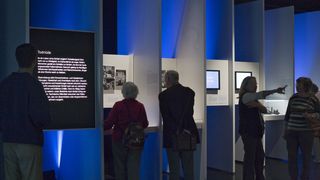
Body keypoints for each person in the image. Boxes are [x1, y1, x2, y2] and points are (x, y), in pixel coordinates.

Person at [0, 43, 51, 180]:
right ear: (35, 61)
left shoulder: (5, 83)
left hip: (8, 142)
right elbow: (41, 117)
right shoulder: (34, 85)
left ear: (17, 59)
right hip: (29, 143)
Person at [238, 76, 285, 180]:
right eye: (253, 84)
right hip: (249, 132)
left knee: (259, 157)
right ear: (246, 85)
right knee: (251, 158)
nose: (255, 86)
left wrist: (257, 105)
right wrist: (275, 90)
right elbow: (262, 94)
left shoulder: (252, 98)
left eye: (256, 84)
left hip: (255, 132)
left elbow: (263, 109)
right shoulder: (246, 97)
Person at [159, 70, 200, 180]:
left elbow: (166, 118)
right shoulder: (189, 92)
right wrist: (184, 129)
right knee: (188, 168)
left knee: (174, 170)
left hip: (173, 135)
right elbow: (189, 113)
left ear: (168, 79)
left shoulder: (163, 96)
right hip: (188, 132)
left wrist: (177, 130)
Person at [104, 82, 148, 180]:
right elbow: (145, 124)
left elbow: (109, 123)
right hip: (136, 141)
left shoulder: (118, 105)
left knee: (120, 168)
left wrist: (97, 126)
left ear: (124, 92)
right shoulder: (140, 106)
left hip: (120, 140)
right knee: (134, 168)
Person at [284, 77, 320, 180]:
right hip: (292, 131)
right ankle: (293, 177)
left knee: (306, 157)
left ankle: (305, 177)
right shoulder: (293, 98)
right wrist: (285, 130)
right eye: (297, 84)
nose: (297, 86)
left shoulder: (313, 99)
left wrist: (311, 116)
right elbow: (288, 115)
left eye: (299, 84)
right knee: (291, 157)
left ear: (305, 85)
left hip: (306, 132)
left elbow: (319, 114)